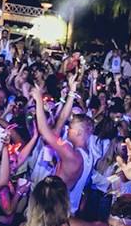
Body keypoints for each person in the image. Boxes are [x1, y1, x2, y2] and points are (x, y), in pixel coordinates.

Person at [31, 79, 93, 214]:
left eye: (70, 128)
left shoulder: (71, 154)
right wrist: (71, 93)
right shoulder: (88, 155)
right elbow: (61, 121)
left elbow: (44, 130)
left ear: (78, 133)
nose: (67, 130)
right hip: (67, 209)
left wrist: (39, 100)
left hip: (53, 211)